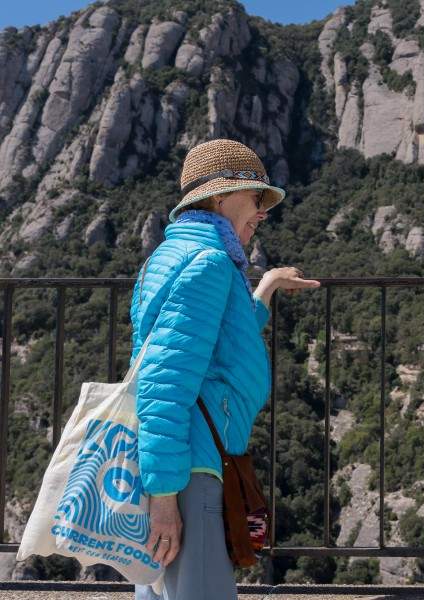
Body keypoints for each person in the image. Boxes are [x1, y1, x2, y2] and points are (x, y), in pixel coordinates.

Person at [130, 139, 319, 600]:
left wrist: (267, 286)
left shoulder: (173, 257)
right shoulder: (209, 262)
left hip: (181, 459)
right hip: (190, 465)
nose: (262, 211)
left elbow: (217, 340)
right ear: (220, 198)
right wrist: (164, 497)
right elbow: (164, 383)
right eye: (256, 198)